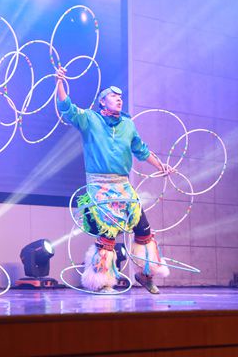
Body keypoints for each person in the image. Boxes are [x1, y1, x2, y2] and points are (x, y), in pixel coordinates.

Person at [55, 67, 172, 294]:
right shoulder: (90, 119)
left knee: (143, 229)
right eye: (113, 96)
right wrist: (59, 82)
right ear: (102, 101)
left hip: (123, 186)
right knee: (108, 234)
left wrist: (161, 166)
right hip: (99, 186)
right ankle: (102, 282)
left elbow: (141, 150)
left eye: (121, 97)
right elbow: (67, 108)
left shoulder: (128, 124)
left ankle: (145, 274)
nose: (119, 99)